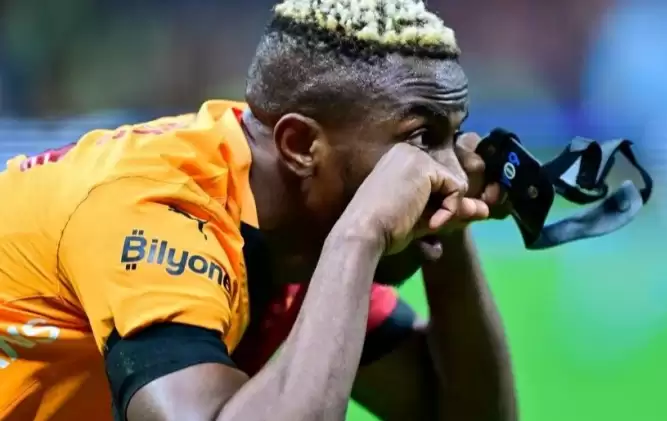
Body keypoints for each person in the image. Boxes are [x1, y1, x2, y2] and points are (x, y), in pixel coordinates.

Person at [0, 1, 517, 420]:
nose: (451, 173)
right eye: (421, 139)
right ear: (300, 145)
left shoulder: (296, 215)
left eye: (453, 137)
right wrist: (358, 235)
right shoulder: (158, 207)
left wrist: (451, 228)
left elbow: (462, 414)